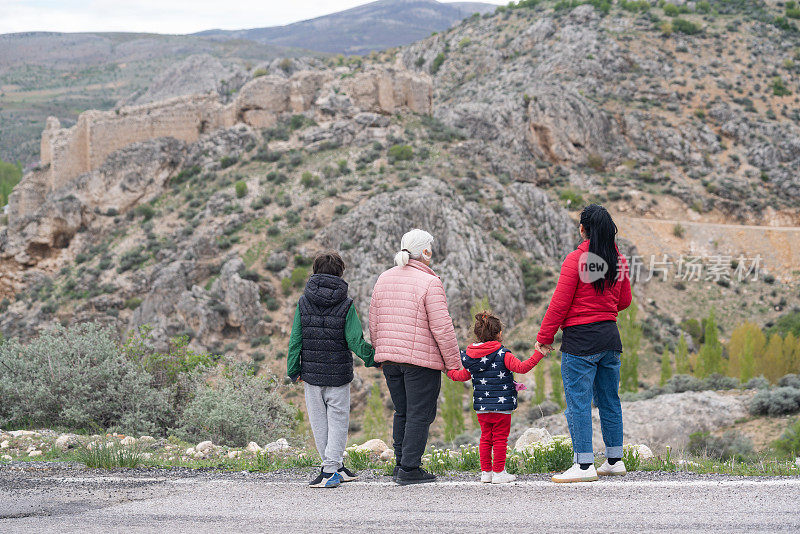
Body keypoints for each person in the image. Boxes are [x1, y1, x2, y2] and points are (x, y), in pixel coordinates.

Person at [535, 204, 632, 483]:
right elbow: (623, 301)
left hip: (581, 341)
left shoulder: (575, 259)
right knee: (610, 400)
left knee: (579, 403)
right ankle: (614, 460)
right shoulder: (619, 261)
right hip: (610, 337)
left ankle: (584, 464)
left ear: (583, 229)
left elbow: (559, 304)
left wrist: (544, 338)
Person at [369, 229, 462, 486]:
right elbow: (442, 327)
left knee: (403, 411)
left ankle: (401, 463)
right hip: (420, 362)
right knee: (420, 413)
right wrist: (454, 364)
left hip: (390, 359)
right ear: (426, 252)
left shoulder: (384, 278)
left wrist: (380, 351)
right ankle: (410, 469)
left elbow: (374, 321)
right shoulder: (430, 282)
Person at [287, 251, 378, 489]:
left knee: (319, 423)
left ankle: (331, 469)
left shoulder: (303, 302)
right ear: (340, 273)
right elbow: (355, 340)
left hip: (311, 375)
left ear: (315, 271)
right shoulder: (346, 304)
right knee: (338, 422)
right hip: (338, 374)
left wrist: (293, 368)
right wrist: (374, 359)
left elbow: (296, 338)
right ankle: (333, 469)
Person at [446, 312, 545, 484]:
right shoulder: (503, 354)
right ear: (499, 334)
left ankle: (486, 473)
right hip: (502, 406)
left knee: (485, 437)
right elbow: (522, 368)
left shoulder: (472, 357)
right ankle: (499, 473)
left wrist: (447, 371)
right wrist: (539, 353)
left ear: (477, 334)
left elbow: (462, 376)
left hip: (482, 406)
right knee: (499, 438)